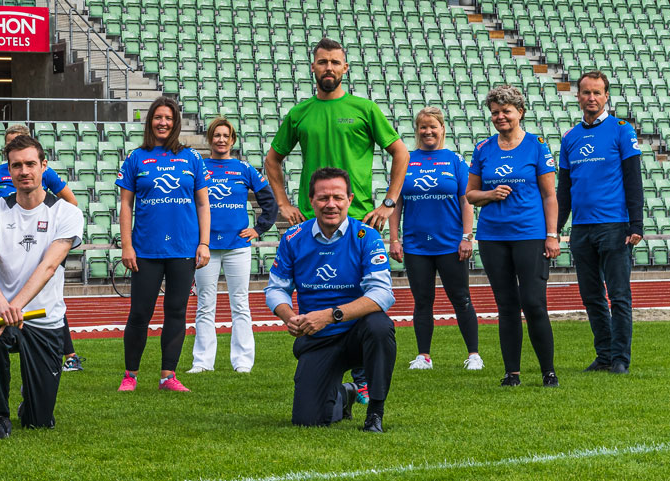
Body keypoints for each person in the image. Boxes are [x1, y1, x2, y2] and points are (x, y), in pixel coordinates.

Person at [265, 167, 395, 433]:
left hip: (356, 334)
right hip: (317, 338)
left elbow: (382, 293)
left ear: (349, 199)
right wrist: (289, 316)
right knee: (307, 420)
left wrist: (330, 315)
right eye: (323, 198)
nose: (331, 204)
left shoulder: (366, 237)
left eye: (338, 197)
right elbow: (276, 289)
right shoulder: (292, 238)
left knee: (380, 326)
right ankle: (345, 394)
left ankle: (375, 413)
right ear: (311, 201)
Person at [0, 135, 83, 440]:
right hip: (1, 309)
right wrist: (1, 305)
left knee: (39, 421)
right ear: (9, 169)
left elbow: (48, 266)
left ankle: (29, 405)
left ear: (43, 166)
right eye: (16, 165)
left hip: (43, 318)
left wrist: (15, 305)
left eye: (31, 163)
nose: (24, 171)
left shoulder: (67, 213)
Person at [465, 84, 561, 388]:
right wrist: (490, 195)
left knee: (533, 303)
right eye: (494, 112)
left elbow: (549, 195)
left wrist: (552, 235)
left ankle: (548, 370)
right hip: (493, 236)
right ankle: (512, 373)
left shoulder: (536, 146)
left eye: (505, 111)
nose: (499, 116)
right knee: (506, 305)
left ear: (520, 112)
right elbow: (470, 195)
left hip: (530, 234)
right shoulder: (483, 149)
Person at [115, 96, 211, 392]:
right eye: (158, 117)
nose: (163, 123)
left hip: (183, 249)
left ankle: (168, 375)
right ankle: (130, 375)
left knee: (176, 312)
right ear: (150, 121)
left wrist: (204, 244)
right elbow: (126, 206)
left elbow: (203, 204)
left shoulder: (191, 158)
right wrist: (127, 245)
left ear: (176, 122)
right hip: (145, 249)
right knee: (140, 313)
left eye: (168, 118)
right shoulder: (135, 158)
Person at [263, 38, 409, 231]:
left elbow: (401, 153)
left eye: (335, 62)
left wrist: (389, 203)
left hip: (358, 217)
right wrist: (283, 204)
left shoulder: (366, 109)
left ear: (345, 67)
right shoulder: (298, 113)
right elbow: (272, 160)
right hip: (310, 219)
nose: (329, 68)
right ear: (313, 67)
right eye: (323, 62)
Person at [558, 71, 644, 375]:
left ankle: (621, 358)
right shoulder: (569, 137)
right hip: (581, 229)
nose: (591, 98)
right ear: (578, 96)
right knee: (591, 296)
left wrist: (637, 224)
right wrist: (553, 229)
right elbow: (563, 191)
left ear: (606, 96)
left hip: (615, 225)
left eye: (597, 92)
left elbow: (633, 179)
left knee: (619, 296)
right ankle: (604, 355)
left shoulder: (621, 130)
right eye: (585, 93)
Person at [390, 107, 482, 371]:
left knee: (461, 298)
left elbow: (466, 201)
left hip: (451, 244)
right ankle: (424, 356)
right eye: (423, 127)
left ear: (442, 129)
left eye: (433, 127)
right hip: (417, 245)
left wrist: (467, 237)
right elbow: (395, 204)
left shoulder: (455, 161)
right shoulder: (405, 160)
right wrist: (394, 239)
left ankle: (474, 355)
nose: (428, 131)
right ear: (417, 130)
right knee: (422, 301)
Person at [190, 116, 277, 374]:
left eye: (226, 136)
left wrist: (258, 228)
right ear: (210, 139)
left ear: (232, 140)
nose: (221, 140)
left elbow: (269, 202)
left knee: (240, 303)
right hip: (206, 247)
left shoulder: (244, 169)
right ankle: (203, 362)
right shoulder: (199, 167)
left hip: (238, 246)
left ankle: (243, 362)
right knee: (205, 303)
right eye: (217, 135)